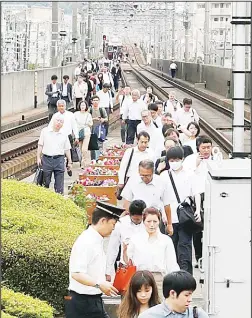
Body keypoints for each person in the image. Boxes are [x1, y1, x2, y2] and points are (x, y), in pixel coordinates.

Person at [65, 201, 125, 318]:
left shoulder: (96, 239)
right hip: (81, 302)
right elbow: (76, 273)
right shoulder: (86, 241)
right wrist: (99, 284)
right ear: (103, 221)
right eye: (113, 224)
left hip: (93, 300)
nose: (114, 228)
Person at [160, 146, 201, 275]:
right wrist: (163, 215)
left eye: (177, 160)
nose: (174, 162)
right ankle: (172, 276)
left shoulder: (190, 174)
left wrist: (198, 211)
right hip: (169, 217)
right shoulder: (164, 175)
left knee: (185, 248)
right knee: (170, 248)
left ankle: (186, 277)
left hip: (185, 217)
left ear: (182, 159)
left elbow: (196, 193)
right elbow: (160, 197)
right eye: (171, 160)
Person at [123, 207, 180, 300]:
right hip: (140, 279)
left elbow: (172, 263)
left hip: (159, 279)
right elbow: (128, 262)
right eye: (149, 221)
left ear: (159, 221)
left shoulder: (166, 240)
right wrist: (124, 252)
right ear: (143, 221)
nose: (152, 225)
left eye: (155, 221)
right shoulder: (135, 239)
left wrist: (176, 283)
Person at [121, 160, 174, 236]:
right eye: (142, 175)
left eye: (147, 175)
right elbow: (127, 202)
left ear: (152, 172)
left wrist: (169, 224)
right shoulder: (133, 180)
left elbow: (167, 204)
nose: (144, 178)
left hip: (154, 218)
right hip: (138, 218)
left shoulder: (161, 182)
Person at [183, 136, 213, 267]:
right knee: (198, 226)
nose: (206, 151)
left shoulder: (215, 158)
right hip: (196, 196)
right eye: (203, 148)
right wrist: (196, 164)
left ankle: (209, 255)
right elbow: (186, 177)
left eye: (208, 147)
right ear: (198, 148)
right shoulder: (190, 160)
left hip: (212, 194)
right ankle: (199, 256)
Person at [138, 270, 209, 318]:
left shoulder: (198, 315)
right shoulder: (149, 316)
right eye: (186, 295)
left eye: (191, 295)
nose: (190, 299)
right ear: (172, 293)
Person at [106, 200, 147, 281]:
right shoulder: (121, 224)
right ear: (129, 214)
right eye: (134, 219)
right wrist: (108, 271)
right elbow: (112, 248)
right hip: (126, 267)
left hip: (145, 267)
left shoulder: (149, 224)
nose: (137, 222)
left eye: (139, 220)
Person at [37, 116, 72, 194]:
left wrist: (70, 161)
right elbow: (40, 145)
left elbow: (67, 148)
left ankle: (59, 198)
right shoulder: (45, 131)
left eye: (61, 121)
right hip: (46, 159)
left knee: (59, 185)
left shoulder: (64, 133)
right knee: (45, 183)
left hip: (59, 159)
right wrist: (38, 158)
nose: (59, 123)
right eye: (57, 120)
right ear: (53, 121)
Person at [74, 100, 93, 168]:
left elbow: (91, 124)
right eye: (81, 105)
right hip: (78, 133)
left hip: (86, 132)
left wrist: (87, 123)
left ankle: (83, 163)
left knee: (84, 149)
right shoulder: (75, 114)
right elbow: (73, 124)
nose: (82, 107)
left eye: (84, 105)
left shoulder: (88, 114)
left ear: (86, 106)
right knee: (80, 148)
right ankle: (83, 161)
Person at [89, 95, 108, 160]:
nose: (95, 102)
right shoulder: (90, 109)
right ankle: (93, 159)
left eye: (97, 100)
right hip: (92, 129)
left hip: (100, 129)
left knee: (100, 144)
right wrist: (94, 119)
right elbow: (87, 119)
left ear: (99, 101)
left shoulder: (101, 109)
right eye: (94, 100)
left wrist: (103, 119)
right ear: (92, 101)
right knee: (92, 145)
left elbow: (106, 118)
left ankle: (99, 158)